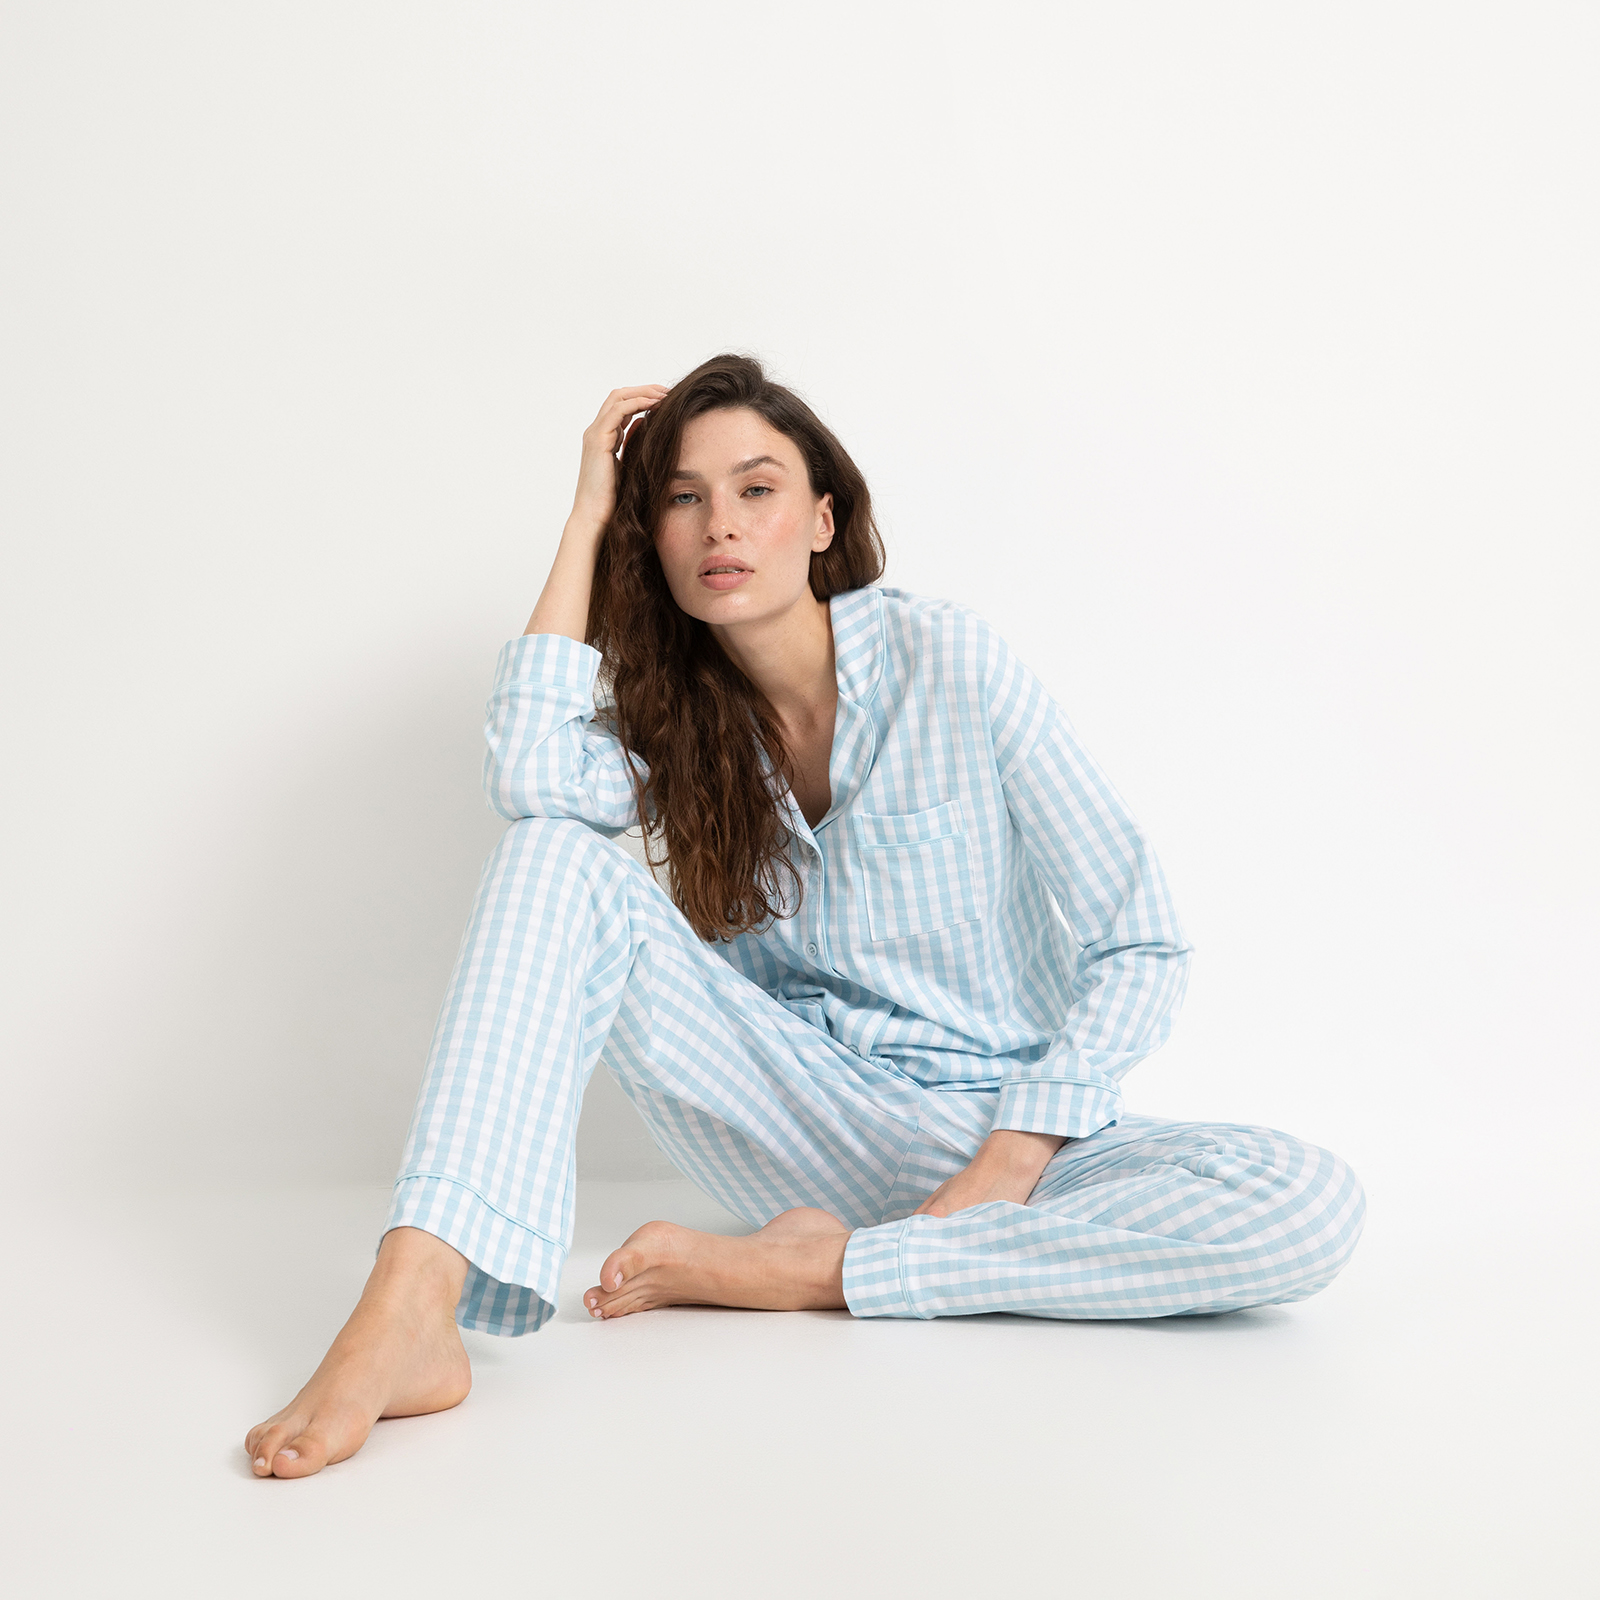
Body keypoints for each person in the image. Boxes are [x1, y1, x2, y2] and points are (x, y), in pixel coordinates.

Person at [245, 353, 1366, 1479]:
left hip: (1008, 1133)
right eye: (682, 498)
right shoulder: (673, 725)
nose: (720, 524)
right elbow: (529, 774)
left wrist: (1012, 1155)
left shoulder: (951, 662)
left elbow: (1141, 939)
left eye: (756, 488)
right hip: (797, 1117)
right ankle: (411, 1302)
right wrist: (587, 515)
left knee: (1304, 1209)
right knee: (548, 851)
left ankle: (806, 1270)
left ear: (823, 521)